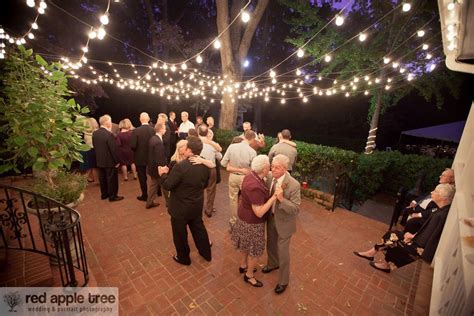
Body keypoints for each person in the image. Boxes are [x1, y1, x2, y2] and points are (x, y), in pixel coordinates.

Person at [354, 183, 455, 273]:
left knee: (395, 242)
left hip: (420, 248)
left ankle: (386, 265)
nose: (432, 192)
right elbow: (428, 232)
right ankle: (372, 253)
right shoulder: (441, 210)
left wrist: (411, 237)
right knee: (391, 234)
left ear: (443, 197)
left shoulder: (440, 215)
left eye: (436, 191)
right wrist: (413, 235)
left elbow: (427, 237)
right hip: (418, 241)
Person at [159, 136, 212, 266]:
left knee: (180, 233)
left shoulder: (180, 167)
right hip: (196, 204)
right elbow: (205, 184)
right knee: (198, 228)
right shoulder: (205, 164)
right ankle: (206, 253)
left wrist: (163, 174)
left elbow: (168, 185)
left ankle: (183, 258)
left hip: (180, 208)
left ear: (189, 150)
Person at [231, 155, 280, 288]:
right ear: (264, 169)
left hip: (243, 216)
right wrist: (274, 197)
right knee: (255, 250)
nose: (270, 168)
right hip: (252, 222)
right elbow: (259, 212)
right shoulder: (255, 186)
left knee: (245, 244)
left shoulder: (250, 175)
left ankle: (243, 265)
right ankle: (249, 275)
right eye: (269, 166)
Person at [262, 154, 301, 294]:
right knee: (271, 243)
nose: (273, 169)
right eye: (272, 166)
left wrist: (282, 199)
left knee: (283, 252)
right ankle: (273, 263)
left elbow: (296, 209)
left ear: (285, 169)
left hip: (285, 223)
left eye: (277, 167)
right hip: (271, 218)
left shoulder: (294, 184)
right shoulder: (271, 177)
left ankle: (283, 281)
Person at [221, 130, 257, 230]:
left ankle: (233, 222)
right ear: (253, 139)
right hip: (245, 178)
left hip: (233, 176)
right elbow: (254, 170)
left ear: (244, 136)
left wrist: (233, 168)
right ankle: (243, 223)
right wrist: (243, 170)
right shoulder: (252, 152)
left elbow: (223, 163)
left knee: (233, 200)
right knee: (245, 200)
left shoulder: (232, 147)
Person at [92, 115, 124, 202]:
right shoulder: (109, 134)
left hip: (99, 160)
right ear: (107, 122)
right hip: (109, 161)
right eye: (110, 121)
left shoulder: (95, 133)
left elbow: (95, 147)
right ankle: (113, 196)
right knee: (111, 179)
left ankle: (104, 194)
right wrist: (117, 161)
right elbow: (113, 149)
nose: (111, 123)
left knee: (102, 178)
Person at [198, 125, 222, 217]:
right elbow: (220, 157)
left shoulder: (195, 142)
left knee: (198, 189)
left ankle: (197, 208)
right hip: (211, 169)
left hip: (198, 168)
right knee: (211, 190)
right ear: (207, 133)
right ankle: (209, 210)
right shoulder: (212, 144)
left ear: (198, 132)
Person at [130, 112, 155, 202]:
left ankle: (145, 195)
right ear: (148, 119)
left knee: (142, 177)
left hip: (140, 157)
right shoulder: (153, 130)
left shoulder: (136, 131)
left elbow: (132, 145)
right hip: (151, 156)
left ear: (140, 119)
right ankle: (157, 192)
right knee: (154, 175)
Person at [146, 122, 168, 209]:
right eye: (164, 128)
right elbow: (159, 158)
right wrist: (163, 168)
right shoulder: (158, 141)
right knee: (165, 185)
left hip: (152, 167)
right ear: (161, 129)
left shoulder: (152, 138)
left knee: (153, 185)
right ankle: (169, 203)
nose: (165, 130)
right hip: (158, 169)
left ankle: (149, 202)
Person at [80, 117, 99, 183]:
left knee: (89, 167)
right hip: (94, 150)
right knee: (94, 167)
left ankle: (87, 179)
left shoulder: (84, 133)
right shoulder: (96, 133)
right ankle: (97, 181)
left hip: (87, 150)